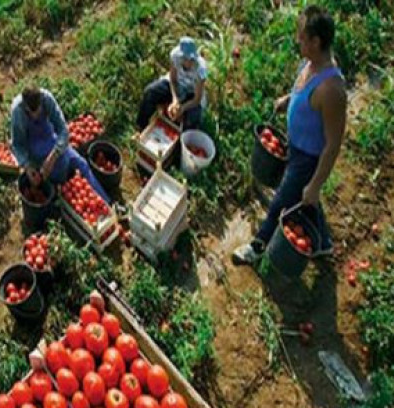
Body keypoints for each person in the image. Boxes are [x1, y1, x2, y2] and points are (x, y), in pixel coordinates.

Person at [233, 5, 346, 265]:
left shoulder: (332, 90)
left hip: (308, 158)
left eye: (302, 36)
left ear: (316, 42)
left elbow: (333, 144)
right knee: (302, 196)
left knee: (282, 200)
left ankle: (257, 247)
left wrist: (316, 183)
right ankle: (324, 243)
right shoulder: (311, 63)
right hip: (296, 148)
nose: (297, 40)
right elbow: (302, 91)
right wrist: (288, 99)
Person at [10, 86, 111, 203]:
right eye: (30, 113)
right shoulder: (17, 111)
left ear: (41, 101)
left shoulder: (47, 98)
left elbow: (63, 130)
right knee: (56, 172)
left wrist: (54, 154)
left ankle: (106, 203)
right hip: (33, 147)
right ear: (25, 107)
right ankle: (61, 190)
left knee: (82, 164)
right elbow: (17, 144)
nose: (35, 116)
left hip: (50, 137)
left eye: (38, 111)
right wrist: (27, 166)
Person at [136, 36, 208, 131]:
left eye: (191, 59)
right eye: (186, 59)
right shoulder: (175, 56)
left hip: (192, 93)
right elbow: (172, 78)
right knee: (150, 91)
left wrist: (182, 108)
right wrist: (175, 99)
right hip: (177, 85)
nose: (189, 62)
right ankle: (141, 127)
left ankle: (180, 142)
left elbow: (197, 99)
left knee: (192, 118)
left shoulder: (201, 68)